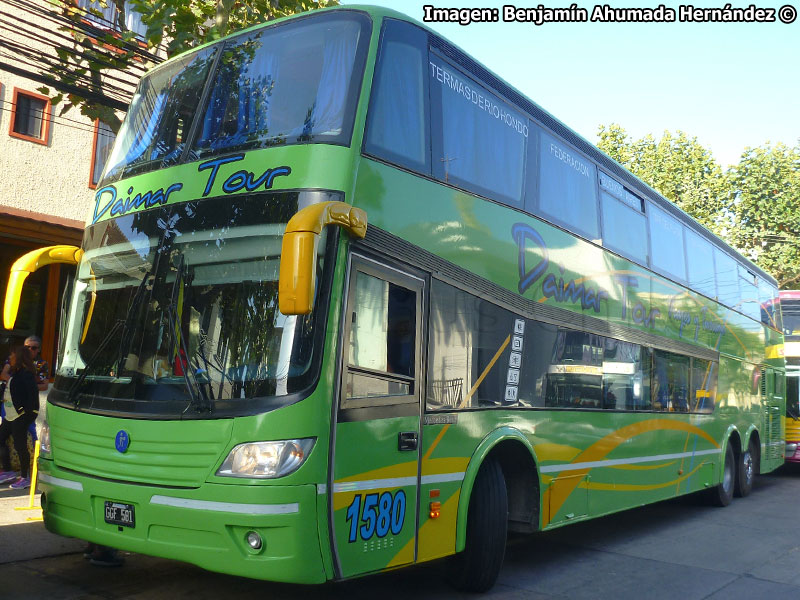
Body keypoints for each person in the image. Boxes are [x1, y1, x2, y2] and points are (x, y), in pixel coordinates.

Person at [0, 346, 39, 488]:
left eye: (12, 355)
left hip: (20, 416)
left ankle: (24, 477)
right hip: (10, 415)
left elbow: (32, 397)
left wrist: (25, 412)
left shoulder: (26, 375)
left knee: (20, 445)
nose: (10, 358)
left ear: (18, 357)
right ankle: (8, 471)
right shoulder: (16, 373)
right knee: (1, 439)